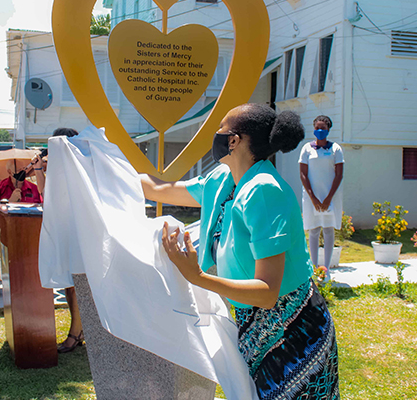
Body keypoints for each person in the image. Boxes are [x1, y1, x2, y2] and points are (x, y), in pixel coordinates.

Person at [141, 104, 339, 400]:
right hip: (255, 324)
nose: (216, 134)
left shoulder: (264, 190)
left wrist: (195, 276)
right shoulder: (223, 180)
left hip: (294, 331)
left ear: (234, 140)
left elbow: (267, 291)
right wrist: (101, 168)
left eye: (221, 127)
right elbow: (160, 189)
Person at [31, 127, 85, 354]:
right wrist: (37, 168)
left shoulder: (80, 166)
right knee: (69, 284)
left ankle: (76, 333)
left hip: (78, 230)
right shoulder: (57, 166)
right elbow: (44, 191)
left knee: (76, 285)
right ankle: (78, 331)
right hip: (64, 229)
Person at [0, 160, 42, 298]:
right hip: (2, 232)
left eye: (23, 168)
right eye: (17, 169)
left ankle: (34, 281)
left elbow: (43, 208)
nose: (21, 171)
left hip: (27, 233)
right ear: (9, 172)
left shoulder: (33, 188)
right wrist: (10, 201)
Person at [299, 115, 344, 277]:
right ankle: (313, 267)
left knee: (328, 229)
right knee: (313, 229)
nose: (319, 131)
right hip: (312, 196)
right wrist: (313, 198)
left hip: (330, 196)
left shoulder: (335, 149)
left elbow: (339, 175)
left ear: (328, 130)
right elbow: (303, 175)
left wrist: (328, 198)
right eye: (317, 128)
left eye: (323, 128)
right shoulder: (306, 149)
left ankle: (326, 268)